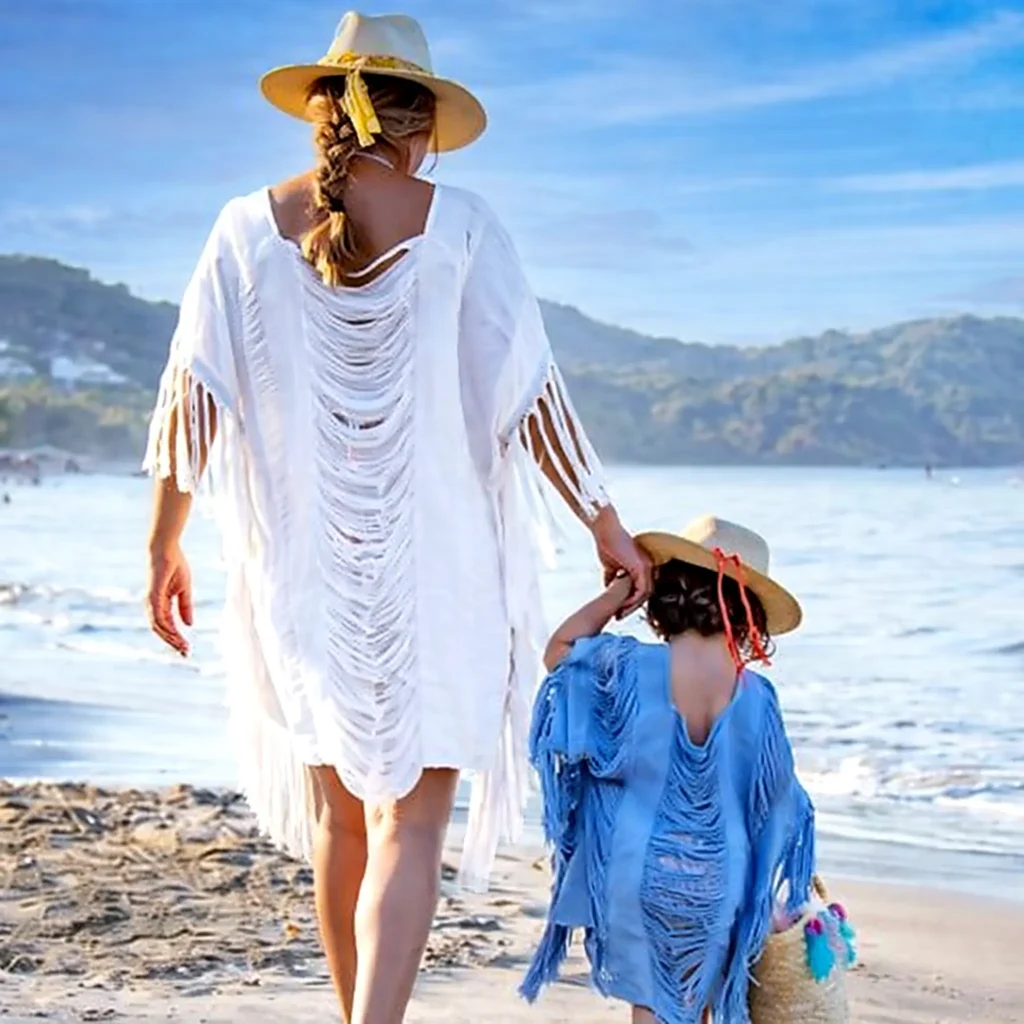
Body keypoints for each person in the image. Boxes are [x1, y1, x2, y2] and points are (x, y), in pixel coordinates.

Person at [143, 12, 650, 1024]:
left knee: (341, 820)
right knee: (410, 828)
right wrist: (606, 524)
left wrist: (162, 544)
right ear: (420, 125)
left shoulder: (243, 227)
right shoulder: (461, 225)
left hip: (304, 571)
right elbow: (532, 398)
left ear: (322, 113)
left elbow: (191, 399)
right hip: (440, 574)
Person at [521, 515, 814, 1024]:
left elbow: (560, 652)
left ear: (662, 594)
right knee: (702, 1002)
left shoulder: (629, 667)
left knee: (652, 1006)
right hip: (720, 874)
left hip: (638, 869)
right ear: (750, 617)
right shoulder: (756, 697)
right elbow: (775, 800)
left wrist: (617, 594)